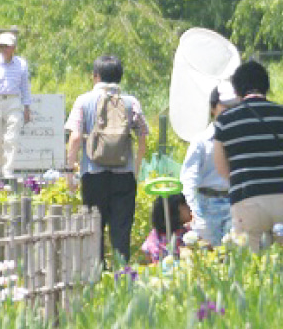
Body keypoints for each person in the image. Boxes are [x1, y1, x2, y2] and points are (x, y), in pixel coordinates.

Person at [212, 60, 283, 247]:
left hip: (247, 199)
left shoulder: (224, 122)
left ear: (237, 90)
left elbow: (222, 169)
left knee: (252, 270)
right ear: (266, 86)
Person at [64, 54, 150, 263]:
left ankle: (97, 281)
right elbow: (143, 137)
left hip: (93, 175)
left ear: (95, 76)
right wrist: (135, 168)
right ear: (119, 76)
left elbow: (75, 137)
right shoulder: (130, 103)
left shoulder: (83, 101)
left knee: (94, 231)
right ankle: (122, 280)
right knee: (121, 232)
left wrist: (69, 173)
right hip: (124, 175)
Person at [178, 87, 234, 246]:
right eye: (225, 106)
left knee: (235, 256)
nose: (230, 111)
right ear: (213, 108)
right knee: (208, 255)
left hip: (234, 203)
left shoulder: (240, 139)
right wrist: (192, 211)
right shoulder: (201, 142)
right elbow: (188, 179)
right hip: (206, 205)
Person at [0, 32, 34, 176]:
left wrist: (27, 107)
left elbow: (25, 87)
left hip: (14, 100)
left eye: (7, 46)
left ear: (13, 47)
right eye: (1, 46)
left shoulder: (21, 64)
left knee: (12, 138)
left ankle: (8, 169)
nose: (4, 49)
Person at [140, 193, 193, 264]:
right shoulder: (154, 240)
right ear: (174, 211)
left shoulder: (188, 232)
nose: (190, 208)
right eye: (185, 205)